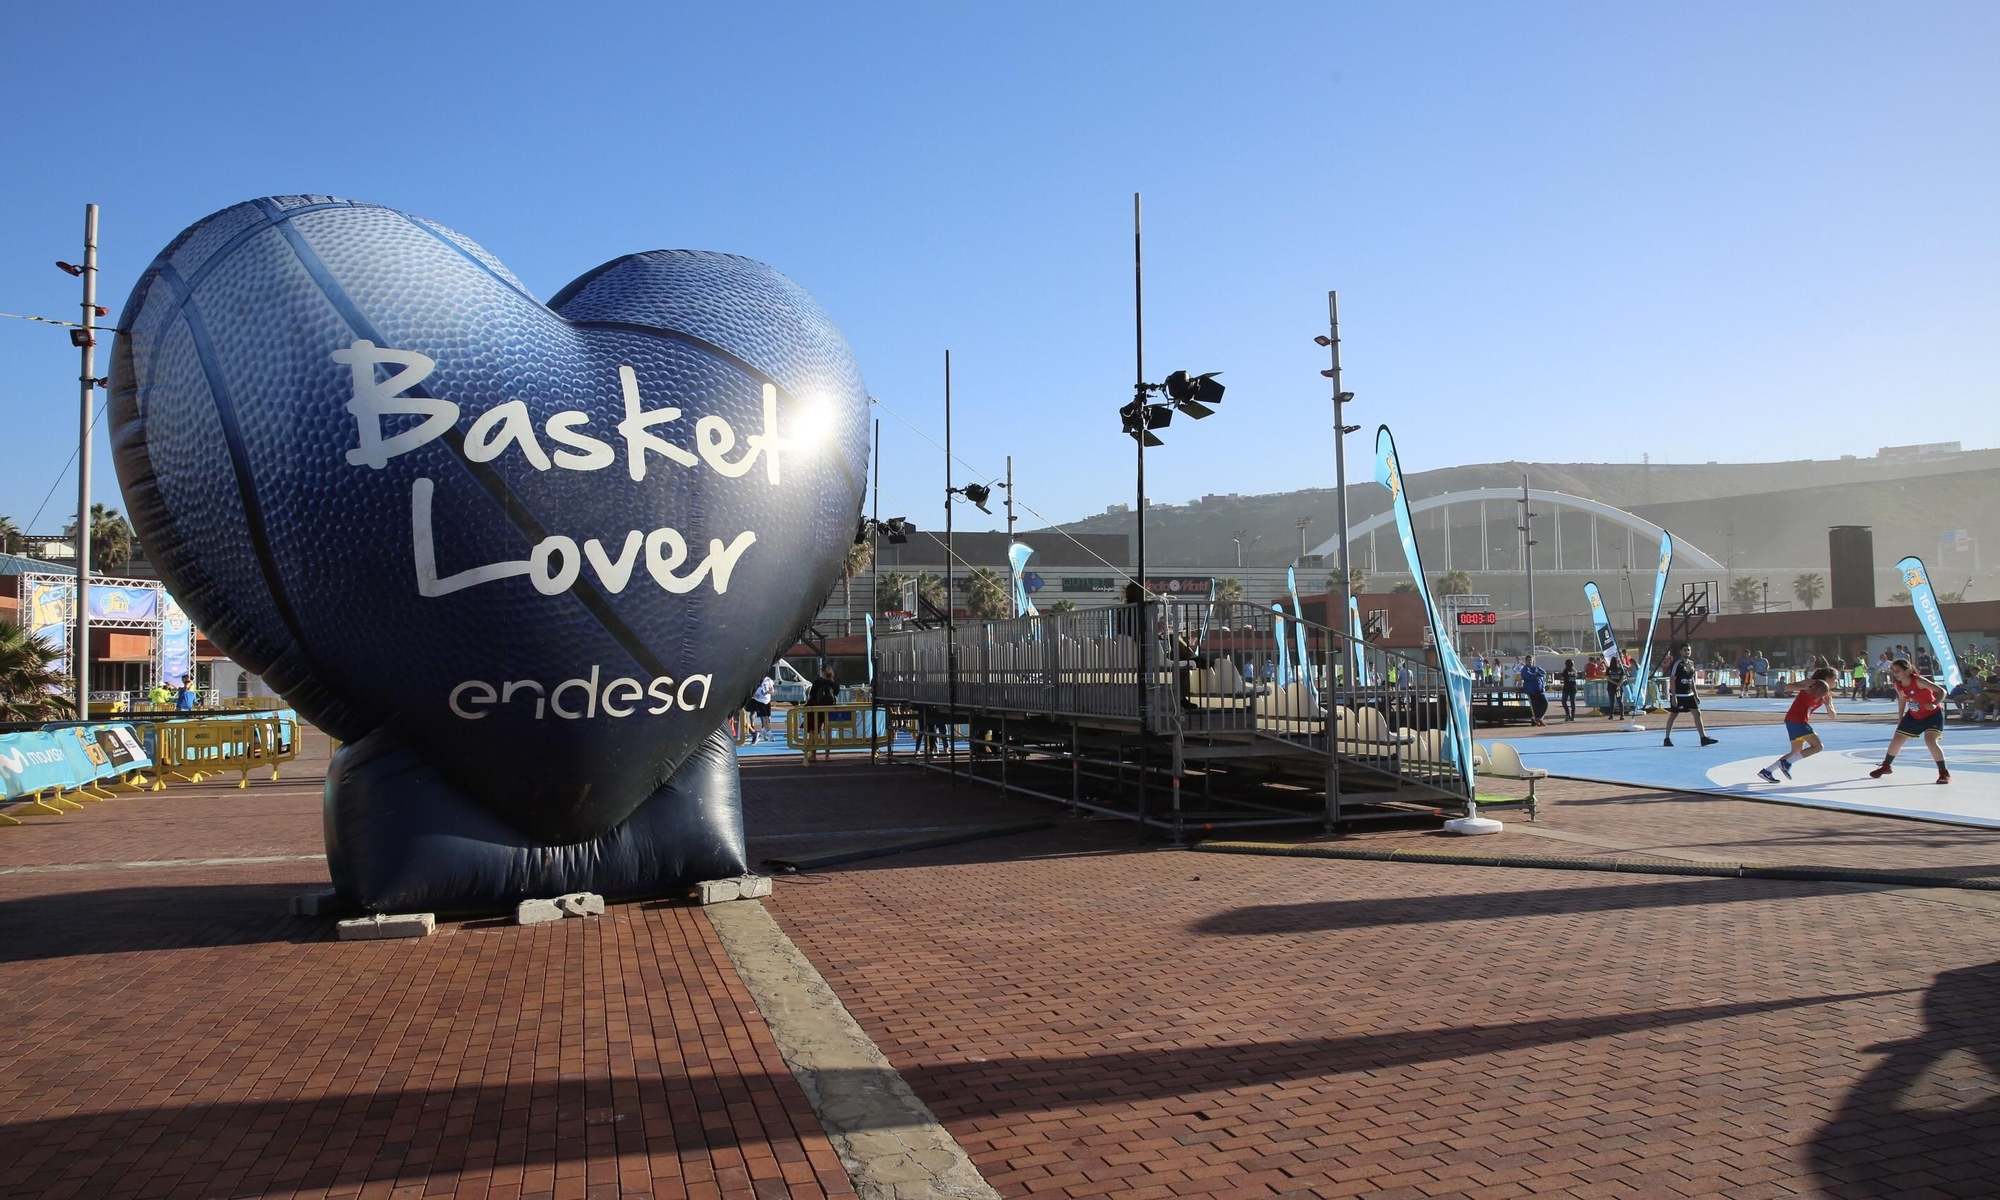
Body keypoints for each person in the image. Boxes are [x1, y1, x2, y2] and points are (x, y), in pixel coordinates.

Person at [1869, 659, 1949, 784]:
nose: (1895, 673)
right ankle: (1886, 766)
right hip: (1913, 716)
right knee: (1896, 741)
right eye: (1893, 671)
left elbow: (1942, 691)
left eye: (1898, 671)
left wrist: (1934, 703)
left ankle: (1943, 772)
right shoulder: (1898, 684)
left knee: (1930, 741)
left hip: (1933, 715)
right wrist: (1900, 717)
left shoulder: (1919, 680)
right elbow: (1902, 699)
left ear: (1907, 671)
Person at [1759, 667, 1839, 783]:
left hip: (1796, 720)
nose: (1836, 681)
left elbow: (1833, 716)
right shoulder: (1812, 684)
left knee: (1796, 752)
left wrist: (1828, 705)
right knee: (1818, 746)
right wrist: (1803, 686)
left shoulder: (1827, 694)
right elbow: (1787, 687)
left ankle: (1767, 771)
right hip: (1797, 719)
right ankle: (1786, 763)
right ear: (1827, 678)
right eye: (1835, 678)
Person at [1661, 644, 1718, 747]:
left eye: (1688, 650)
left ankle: (1703, 738)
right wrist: (1674, 697)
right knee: (1673, 715)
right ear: (1681, 652)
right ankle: (1667, 738)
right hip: (1679, 694)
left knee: (1697, 713)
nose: (1687, 652)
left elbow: (1692, 680)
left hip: (1689, 694)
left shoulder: (1691, 664)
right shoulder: (1677, 664)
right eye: (1685, 650)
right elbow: (1672, 680)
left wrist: (1696, 695)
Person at [801, 667, 841, 766]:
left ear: (823, 673)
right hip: (829, 710)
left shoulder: (817, 682)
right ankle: (827, 755)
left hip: (817, 710)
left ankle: (814, 755)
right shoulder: (834, 684)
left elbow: (812, 694)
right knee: (828, 732)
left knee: (815, 732)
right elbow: (836, 693)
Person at [1518, 655, 1548, 726]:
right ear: (1526, 661)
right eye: (1528, 660)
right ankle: (1536, 720)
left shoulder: (1536, 667)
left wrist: (1537, 674)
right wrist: (1536, 674)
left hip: (1539, 690)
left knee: (1545, 703)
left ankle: (1539, 718)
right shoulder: (1524, 670)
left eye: (1531, 660)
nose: (1530, 661)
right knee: (1535, 707)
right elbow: (1529, 676)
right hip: (1532, 691)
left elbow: (1543, 672)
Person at [745, 672, 775, 742]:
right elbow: (750, 689)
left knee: (768, 719)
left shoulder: (768, 680)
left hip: (767, 700)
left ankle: (764, 732)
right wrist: (753, 695)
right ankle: (770, 734)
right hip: (759, 701)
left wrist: (771, 691)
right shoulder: (756, 680)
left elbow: (772, 690)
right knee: (764, 718)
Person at [1604, 654, 1627, 721]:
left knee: (1612, 701)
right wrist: (1619, 684)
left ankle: (1611, 715)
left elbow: (1608, 678)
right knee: (1620, 701)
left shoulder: (1609, 669)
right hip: (1618, 687)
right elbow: (1623, 678)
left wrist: (1615, 683)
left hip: (1611, 687)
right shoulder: (1620, 669)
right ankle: (1622, 715)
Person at [1557, 658, 1579, 722]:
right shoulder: (1574, 671)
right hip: (1573, 688)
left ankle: (1567, 714)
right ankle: (1573, 716)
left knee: (1564, 701)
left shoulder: (1566, 670)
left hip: (1566, 688)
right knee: (1573, 703)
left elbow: (1562, 678)